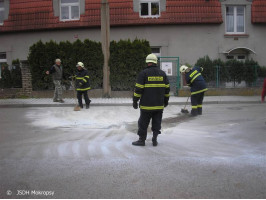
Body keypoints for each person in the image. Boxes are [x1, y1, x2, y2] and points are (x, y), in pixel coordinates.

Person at [132, 54, 170, 146]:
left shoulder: (143, 73)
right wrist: (166, 101)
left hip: (146, 105)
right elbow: (167, 90)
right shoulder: (163, 74)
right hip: (159, 105)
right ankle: (155, 139)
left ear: (147, 62)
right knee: (157, 122)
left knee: (143, 123)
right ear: (156, 62)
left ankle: (141, 140)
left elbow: (138, 89)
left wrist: (135, 101)